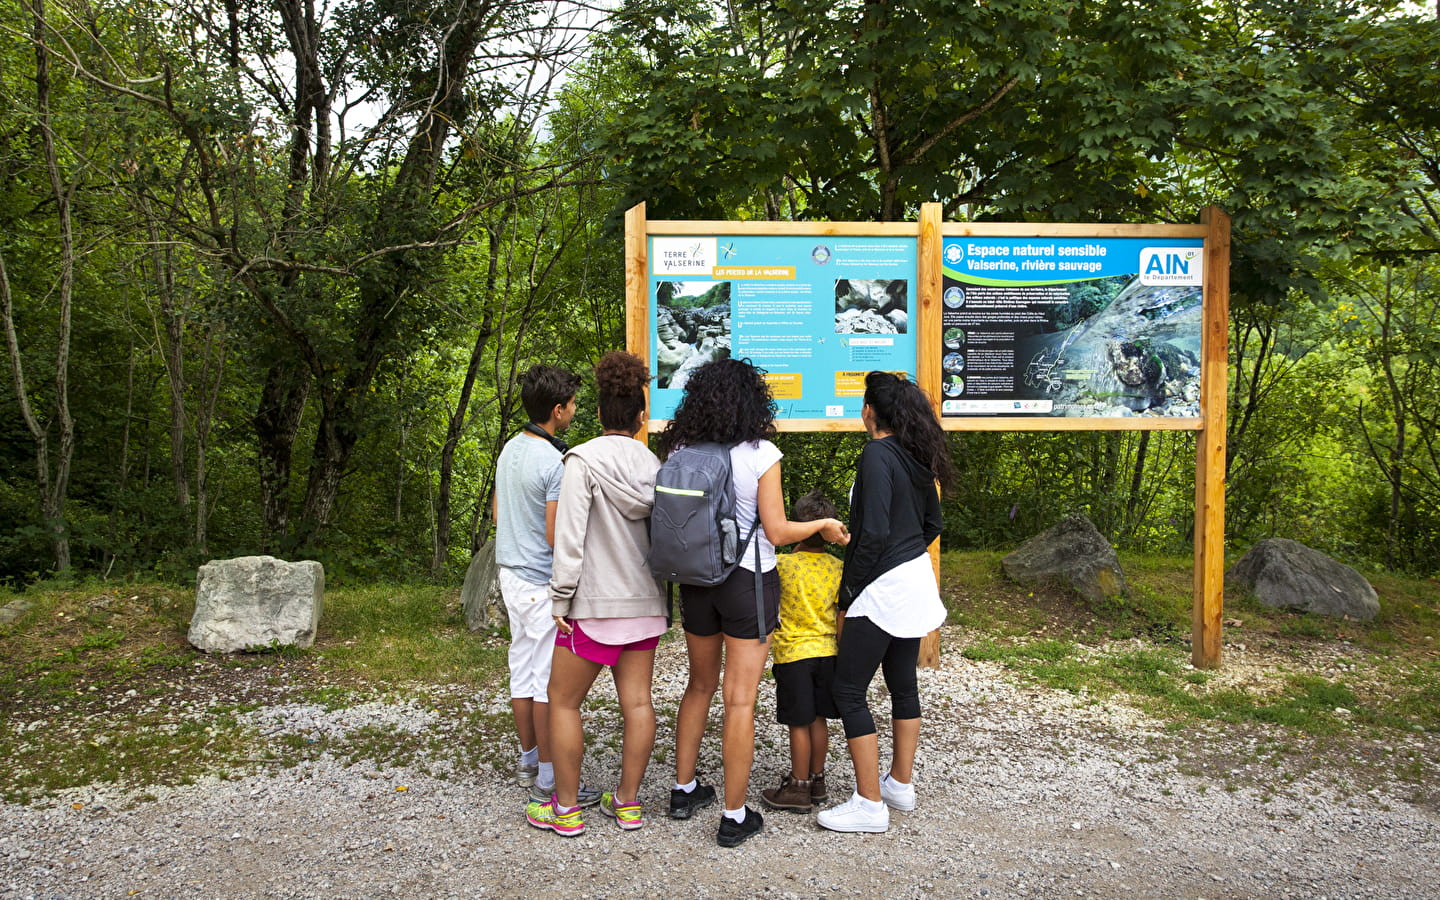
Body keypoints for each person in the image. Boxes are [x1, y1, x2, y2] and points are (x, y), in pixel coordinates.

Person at [660, 357, 849, 849]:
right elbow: (778, 531)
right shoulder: (762, 453)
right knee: (739, 699)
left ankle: (683, 791)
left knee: (698, 686)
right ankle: (733, 814)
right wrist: (822, 527)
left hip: (696, 581)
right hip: (748, 583)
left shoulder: (680, 447)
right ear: (752, 401)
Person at [525, 352, 666, 837]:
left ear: (600, 414)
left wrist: (560, 597)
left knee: (562, 702)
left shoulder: (580, 460)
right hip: (645, 607)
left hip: (593, 609)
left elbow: (569, 538)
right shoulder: (655, 466)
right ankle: (627, 803)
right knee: (639, 704)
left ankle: (566, 810)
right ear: (641, 416)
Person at [817, 371, 958, 834]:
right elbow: (933, 523)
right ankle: (899, 783)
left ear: (870, 411)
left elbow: (873, 533)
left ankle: (870, 804)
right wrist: (904, 551)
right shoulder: (916, 454)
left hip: (882, 588)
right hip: (914, 579)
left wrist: (848, 592)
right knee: (902, 685)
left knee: (848, 690)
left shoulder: (877, 454)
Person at [492, 363, 597, 807]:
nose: (574, 411)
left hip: (509, 573)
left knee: (522, 668)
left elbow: (499, 516)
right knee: (546, 682)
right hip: (539, 579)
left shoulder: (510, 448)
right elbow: (557, 536)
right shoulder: (554, 461)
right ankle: (550, 778)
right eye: (572, 405)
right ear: (557, 410)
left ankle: (530, 758)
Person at [759, 489, 843, 814]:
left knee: (799, 722)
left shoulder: (783, 565)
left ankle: (798, 785)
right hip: (828, 652)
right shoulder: (837, 567)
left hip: (793, 654)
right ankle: (817, 779)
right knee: (819, 719)